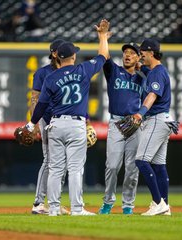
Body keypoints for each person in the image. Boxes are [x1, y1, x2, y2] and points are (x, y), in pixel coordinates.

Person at [24, 19, 110, 216]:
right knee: (75, 169)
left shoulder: (50, 78)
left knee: (54, 169)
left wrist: (31, 124)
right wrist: (103, 36)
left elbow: (40, 106)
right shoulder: (83, 70)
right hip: (76, 124)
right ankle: (77, 209)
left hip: (55, 125)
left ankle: (53, 208)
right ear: (73, 56)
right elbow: (103, 55)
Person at [98, 42, 144, 215]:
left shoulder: (142, 77)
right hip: (117, 123)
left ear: (138, 57)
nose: (128, 55)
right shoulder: (114, 71)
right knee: (112, 166)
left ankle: (128, 205)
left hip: (135, 125)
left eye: (132, 53)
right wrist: (103, 37)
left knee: (132, 168)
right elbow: (104, 55)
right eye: (126, 52)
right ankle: (108, 202)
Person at [133, 38, 175, 216]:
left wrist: (140, 112)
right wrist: (140, 67)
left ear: (151, 53)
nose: (141, 55)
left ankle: (158, 202)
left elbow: (152, 95)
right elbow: (147, 72)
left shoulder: (157, 72)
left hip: (156, 119)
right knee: (158, 165)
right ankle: (164, 205)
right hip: (165, 120)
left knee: (141, 160)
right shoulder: (156, 71)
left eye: (143, 52)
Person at [30, 39, 69, 215]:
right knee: (50, 160)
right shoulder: (43, 73)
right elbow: (34, 98)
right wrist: (35, 123)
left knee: (64, 163)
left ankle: (54, 202)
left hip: (67, 120)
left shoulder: (70, 71)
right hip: (47, 120)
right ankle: (38, 203)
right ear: (54, 53)